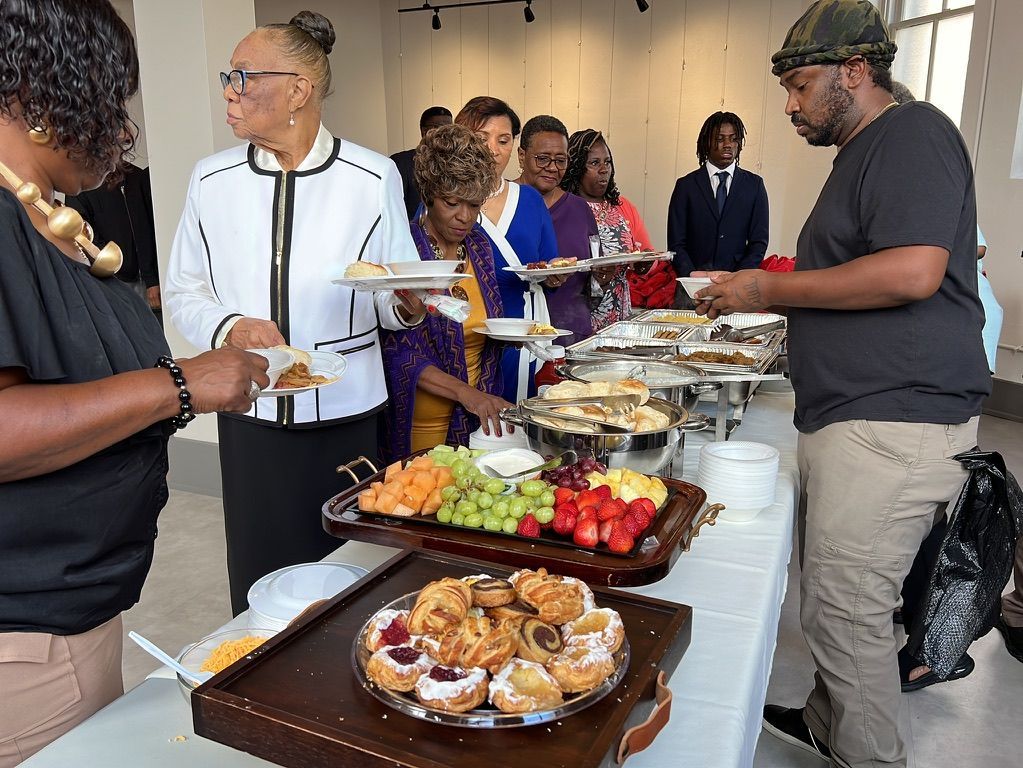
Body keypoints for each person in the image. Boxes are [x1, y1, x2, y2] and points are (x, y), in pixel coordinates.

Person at [694, 2, 991, 766]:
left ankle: (869, 754)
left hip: (891, 424)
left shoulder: (911, 132)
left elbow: (912, 271)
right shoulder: (869, 149)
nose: (789, 105)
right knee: (836, 594)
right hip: (865, 415)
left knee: (845, 612)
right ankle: (829, 721)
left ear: (854, 72)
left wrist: (769, 292)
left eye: (799, 86)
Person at [0, 1, 267, 764]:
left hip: (70, 610)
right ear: (44, 89)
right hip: (23, 635)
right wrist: (178, 384)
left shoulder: (42, 214)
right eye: (112, 97)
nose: (123, 128)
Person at [164, 11, 426, 615]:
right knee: (258, 581)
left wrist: (408, 304)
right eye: (227, 77)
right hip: (249, 410)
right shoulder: (212, 179)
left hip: (346, 413)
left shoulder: (371, 175)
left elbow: (393, 295)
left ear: (298, 91)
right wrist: (231, 327)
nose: (230, 91)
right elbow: (183, 290)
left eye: (243, 76)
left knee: (346, 578)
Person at [382, 124, 513, 457]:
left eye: (474, 205)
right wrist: (466, 394)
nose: (464, 217)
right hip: (420, 426)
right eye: (453, 202)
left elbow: (485, 323)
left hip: (477, 423)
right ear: (428, 194)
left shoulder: (479, 246)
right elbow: (399, 355)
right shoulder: (406, 250)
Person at [455, 96, 557, 402]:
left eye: (503, 140)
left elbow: (549, 265)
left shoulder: (529, 200)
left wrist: (554, 277)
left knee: (517, 427)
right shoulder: (444, 202)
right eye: (481, 138)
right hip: (466, 335)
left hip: (521, 331)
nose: (493, 149)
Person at [515, 115, 599, 346]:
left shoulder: (579, 209)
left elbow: (594, 269)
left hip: (570, 332)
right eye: (542, 159)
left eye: (561, 160)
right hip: (517, 333)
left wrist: (603, 275)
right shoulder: (501, 205)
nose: (552, 168)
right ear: (522, 156)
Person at [666, 111, 769, 296]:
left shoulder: (754, 185)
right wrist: (692, 276)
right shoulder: (685, 186)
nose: (728, 145)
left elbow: (758, 242)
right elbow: (676, 244)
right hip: (692, 288)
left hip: (737, 288)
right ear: (706, 142)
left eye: (733, 139)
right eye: (720, 139)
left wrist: (738, 277)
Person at [65, 162, 162, 321]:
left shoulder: (137, 176)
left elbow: (152, 228)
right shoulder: (80, 185)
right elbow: (82, 234)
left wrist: (152, 279)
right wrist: (111, 265)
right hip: (110, 279)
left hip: (150, 280)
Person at [561, 129, 641, 322]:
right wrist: (598, 280)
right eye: (594, 163)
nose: (604, 169)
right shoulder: (568, 209)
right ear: (578, 167)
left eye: (607, 162)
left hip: (620, 312)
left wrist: (640, 264)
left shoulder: (616, 208)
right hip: (584, 315)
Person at [390, 106, 452, 220]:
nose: (445, 133)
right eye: (438, 127)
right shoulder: (401, 162)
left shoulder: (456, 164)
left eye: (449, 128)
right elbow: (393, 210)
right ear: (424, 131)